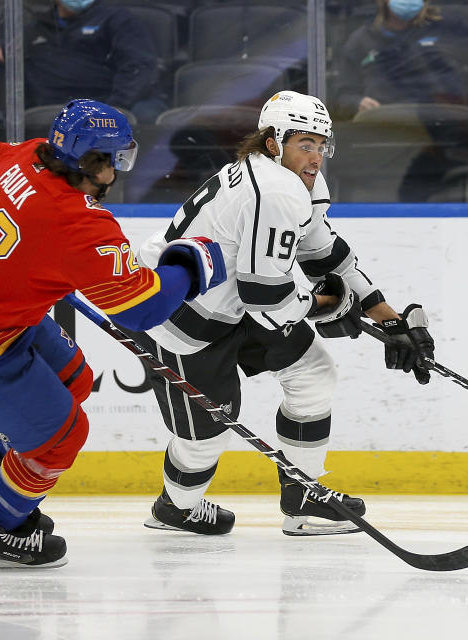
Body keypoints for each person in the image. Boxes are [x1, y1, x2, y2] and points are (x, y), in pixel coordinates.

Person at [0, 99, 226, 569]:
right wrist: (191, 265)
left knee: (74, 380)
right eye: (114, 160)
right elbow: (144, 308)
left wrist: (21, 258)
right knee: (63, 437)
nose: (115, 173)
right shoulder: (80, 225)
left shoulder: (22, 153)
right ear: (93, 162)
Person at [134, 90, 436, 536]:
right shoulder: (272, 191)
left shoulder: (297, 182)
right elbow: (266, 298)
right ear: (273, 142)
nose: (315, 157)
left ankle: (304, 500)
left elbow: (324, 254)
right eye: (304, 144)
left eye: (321, 145)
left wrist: (386, 318)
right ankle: (175, 509)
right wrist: (328, 306)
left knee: (313, 373)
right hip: (181, 316)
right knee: (206, 438)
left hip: (235, 301)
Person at [0, 0, 166, 123]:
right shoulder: (36, 28)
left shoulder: (117, 20)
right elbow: (0, 56)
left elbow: (139, 68)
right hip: (49, 121)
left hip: (102, 114)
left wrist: (109, 111)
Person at [332, 0, 468, 123]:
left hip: (447, 126)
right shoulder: (362, 39)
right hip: (385, 128)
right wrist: (357, 102)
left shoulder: (446, 27)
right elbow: (343, 95)